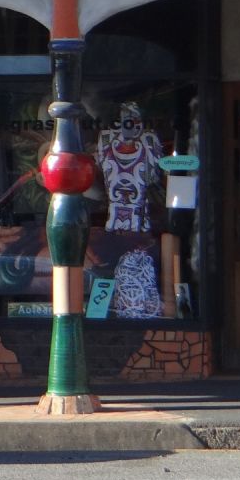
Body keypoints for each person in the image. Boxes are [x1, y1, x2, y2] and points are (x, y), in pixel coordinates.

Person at [95, 102, 164, 319]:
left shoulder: (149, 140)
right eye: (125, 117)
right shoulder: (106, 139)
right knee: (109, 269)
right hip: (114, 222)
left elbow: (154, 177)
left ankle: (128, 309)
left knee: (133, 269)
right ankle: (105, 309)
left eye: (133, 118)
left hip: (138, 223)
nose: (129, 123)